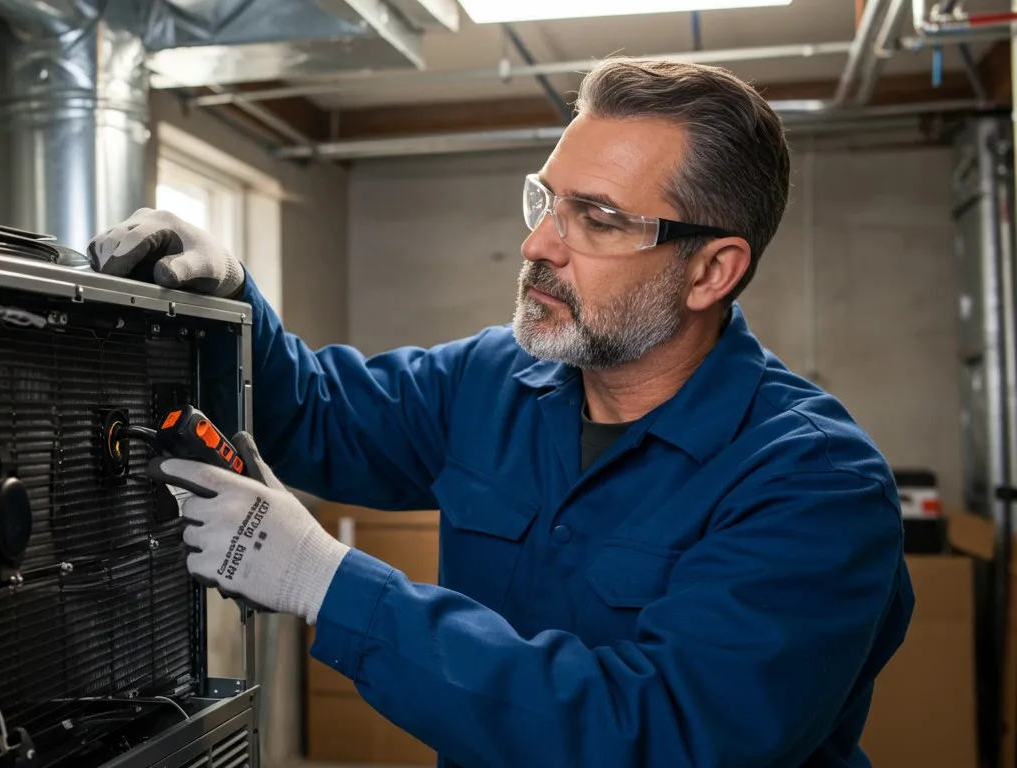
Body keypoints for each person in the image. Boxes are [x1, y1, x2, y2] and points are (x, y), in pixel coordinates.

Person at [88, 57, 914, 768]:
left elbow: (659, 737)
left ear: (710, 272)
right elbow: (319, 418)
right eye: (547, 201)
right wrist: (233, 295)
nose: (539, 246)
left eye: (596, 218)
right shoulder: (495, 378)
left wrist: (327, 583)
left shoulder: (814, 485)